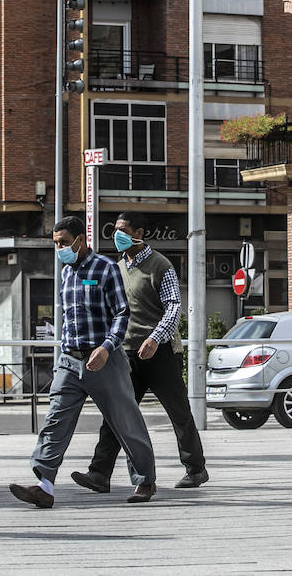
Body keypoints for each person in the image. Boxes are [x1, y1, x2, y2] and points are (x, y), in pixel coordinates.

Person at [10, 216, 157, 507]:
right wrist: (63, 355)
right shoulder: (66, 273)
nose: (60, 249)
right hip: (70, 360)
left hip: (105, 359)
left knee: (125, 421)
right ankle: (45, 485)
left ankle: (145, 482)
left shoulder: (105, 269)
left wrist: (105, 348)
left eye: (64, 242)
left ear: (80, 240)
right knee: (56, 420)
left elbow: (121, 315)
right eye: (55, 244)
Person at [72, 211, 208, 493]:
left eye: (123, 229)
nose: (117, 235)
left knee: (178, 411)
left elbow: (173, 307)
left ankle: (195, 469)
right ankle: (99, 473)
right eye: (116, 229)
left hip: (160, 353)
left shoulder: (161, 265)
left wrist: (156, 338)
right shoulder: (118, 267)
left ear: (140, 233)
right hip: (127, 354)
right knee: (116, 413)